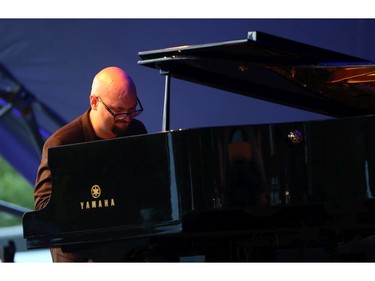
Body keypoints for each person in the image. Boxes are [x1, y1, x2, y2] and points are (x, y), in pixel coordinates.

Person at [33, 66, 147, 262]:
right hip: (81, 255)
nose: (126, 119)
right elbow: (43, 206)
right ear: (94, 102)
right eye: (118, 112)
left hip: (127, 250)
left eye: (132, 110)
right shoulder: (61, 144)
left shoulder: (136, 130)